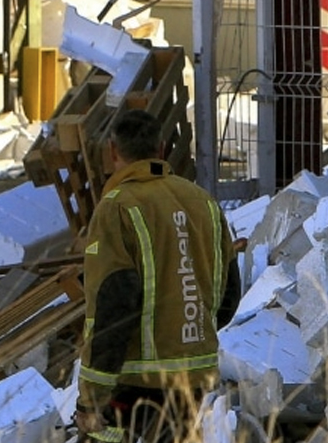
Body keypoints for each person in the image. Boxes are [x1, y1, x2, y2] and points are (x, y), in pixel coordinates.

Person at [75, 110, 241, 443]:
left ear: (112, 152)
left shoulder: (117, 207)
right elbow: (229, 294)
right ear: (162, 148)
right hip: (194, 378)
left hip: (136, 383)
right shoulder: (203, 203)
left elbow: (114, 303)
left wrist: (91, 398)